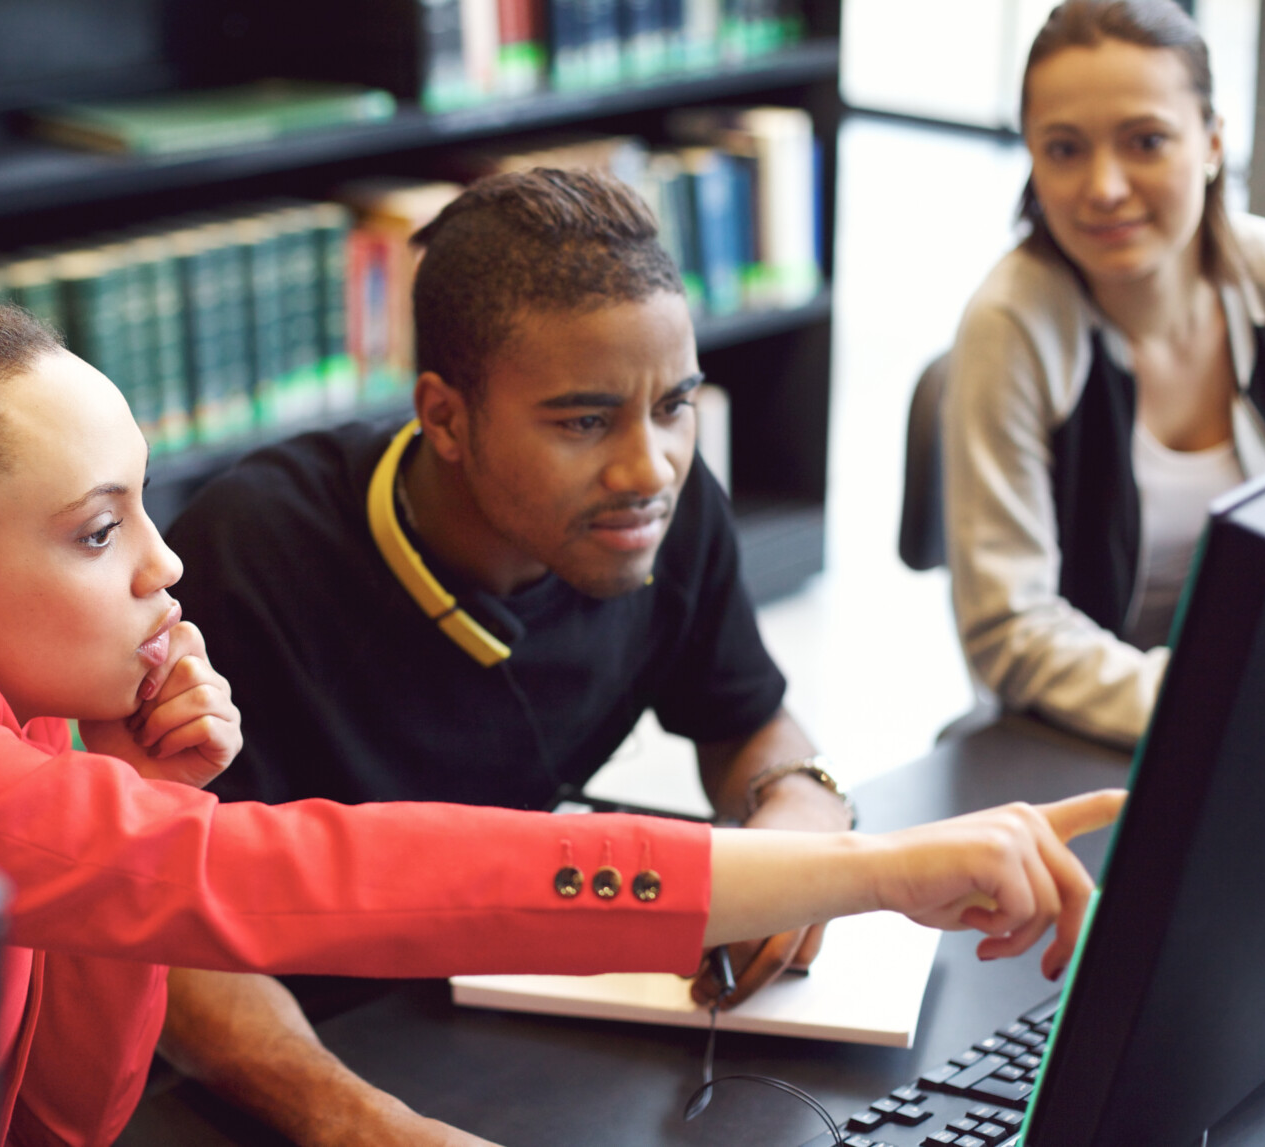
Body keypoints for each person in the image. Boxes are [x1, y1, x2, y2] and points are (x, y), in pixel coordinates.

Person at [0, 157, 1121, 1147]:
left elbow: (60, 1114)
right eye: (97, 531)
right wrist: (872, 868)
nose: (167, 559)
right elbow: (328, 873)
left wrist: (140, 784)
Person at [155, 169, 875, 1145]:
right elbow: (166, 930)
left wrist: (801, 807)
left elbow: (744, 717)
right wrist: (357, 1123)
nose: (647, 467)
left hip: (511, 1003)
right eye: (583, 421)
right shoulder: (252, 554)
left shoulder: (663, 504)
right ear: (444, 417)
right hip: (308, 1043)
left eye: (674, 405)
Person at [944, 0, 1265, 748]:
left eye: (1146, 141)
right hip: (1084, 737)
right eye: (1064, 149)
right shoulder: (1012, 326)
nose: (1104, 187)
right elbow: (1009, 629)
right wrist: (1211, 701)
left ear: (1215, 141)